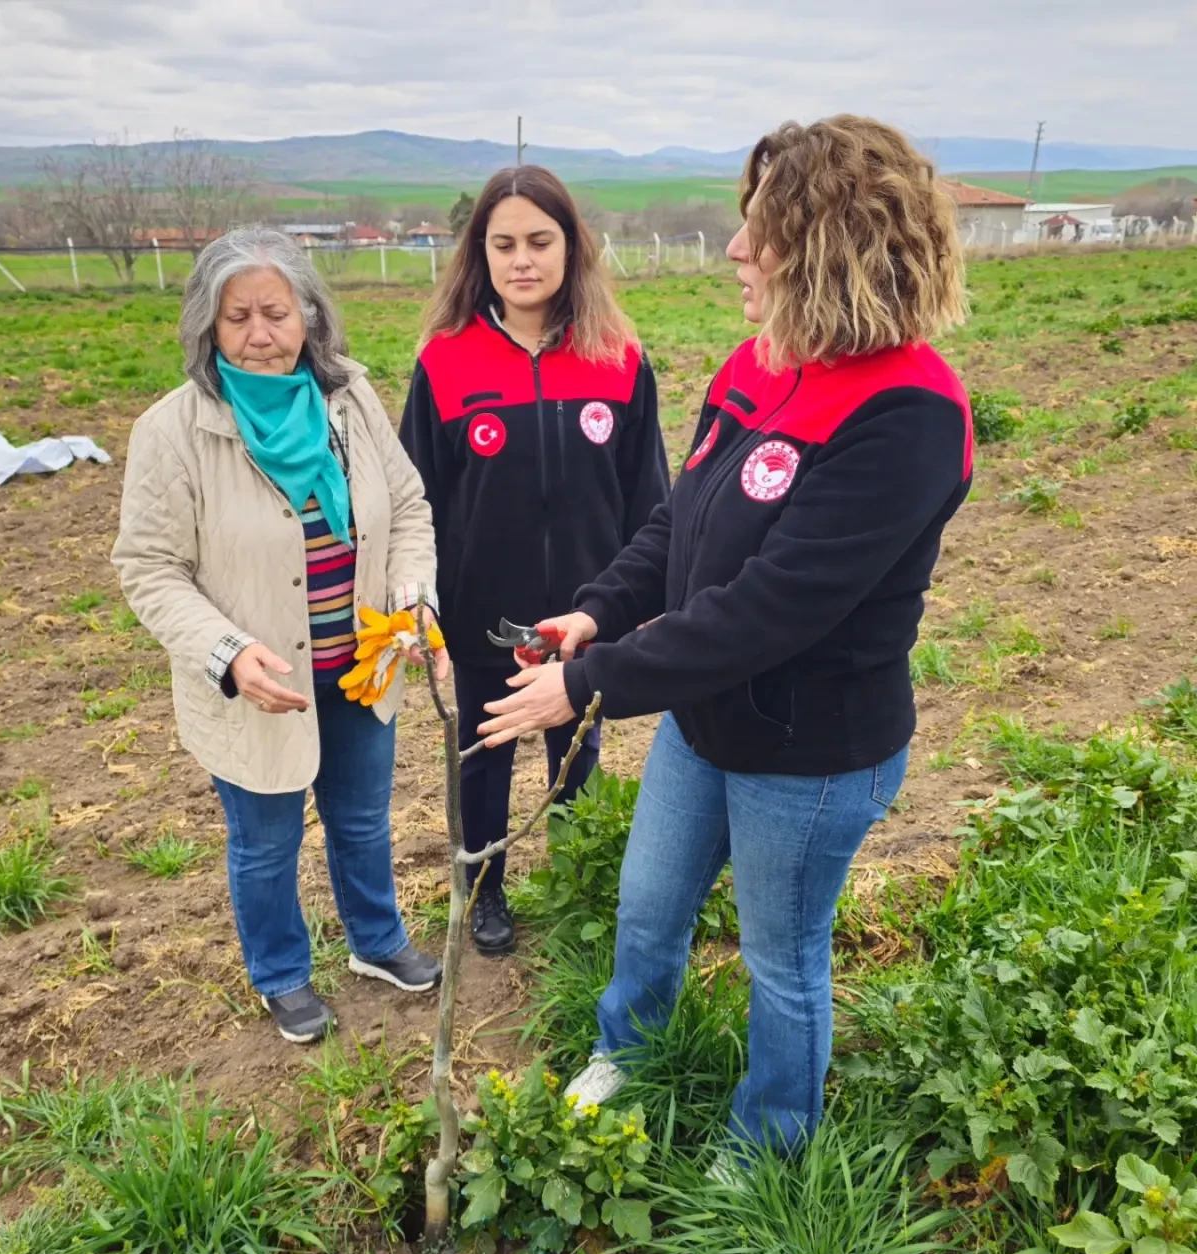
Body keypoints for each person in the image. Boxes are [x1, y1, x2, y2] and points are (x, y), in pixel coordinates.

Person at [475, 117, 973, 1168]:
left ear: (829, 249)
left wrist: (588, 683)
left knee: (779, 955)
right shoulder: (759, 362)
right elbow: (677, 520)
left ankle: (767, 1146)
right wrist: (597, 611)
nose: (736, 252)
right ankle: (629, 1050)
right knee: (647, 909)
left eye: (760, 234)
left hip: (810, 752)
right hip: (705, 722)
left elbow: (768, 608)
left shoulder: (910, 414)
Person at [112, 227, 444, 1045]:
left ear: (310, 319)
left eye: (276, 312)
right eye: (237, 318)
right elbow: (149, 568)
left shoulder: (351, 400)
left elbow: (406, 507)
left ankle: (375, 942)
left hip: (361, 666)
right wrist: (228, 655)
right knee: (265, 842)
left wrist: (412, 594)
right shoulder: (172, 432)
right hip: (259, 687)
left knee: (363, 819)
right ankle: (282, 974)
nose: (260, 335)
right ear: (207, 329)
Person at [399, 166, 669, 956]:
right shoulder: (446, 363)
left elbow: (648, 493)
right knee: (484, 754)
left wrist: (634, 602)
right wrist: (426, 603)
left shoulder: (618, 357)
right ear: (480, 255)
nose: (523, 260)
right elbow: (418, 496)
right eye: (504, 244)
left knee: (577, 751)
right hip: (483, 607)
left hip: (586, 613)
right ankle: (484, 888)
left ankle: (577, 883)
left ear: (571, 247)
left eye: (540, 241)